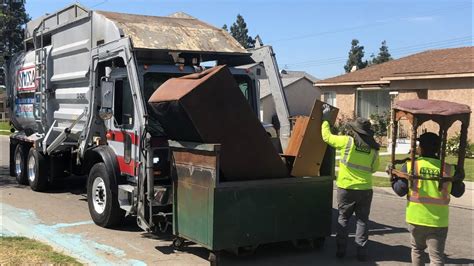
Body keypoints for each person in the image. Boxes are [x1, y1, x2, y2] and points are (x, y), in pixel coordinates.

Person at [391, 132, 465, 266]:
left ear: (422, 147)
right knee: (436, 258)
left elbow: (400, 191)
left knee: (417, 250)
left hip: (416, 218)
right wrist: (460, 179)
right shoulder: (448, 169)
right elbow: (458, 192)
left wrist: (393, 180)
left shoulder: (410, 166)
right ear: (438, 149)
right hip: (438, 220)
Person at [321, 105, 380, 261]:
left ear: (355, 131)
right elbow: (374, 169)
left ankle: (341, 250)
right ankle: (361, 253)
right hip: (366, 189)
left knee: (343, 219)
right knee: (362, 221)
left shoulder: (347, 142)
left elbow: (327, 137)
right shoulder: (374, 150)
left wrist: (325, 120)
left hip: (346, 188)